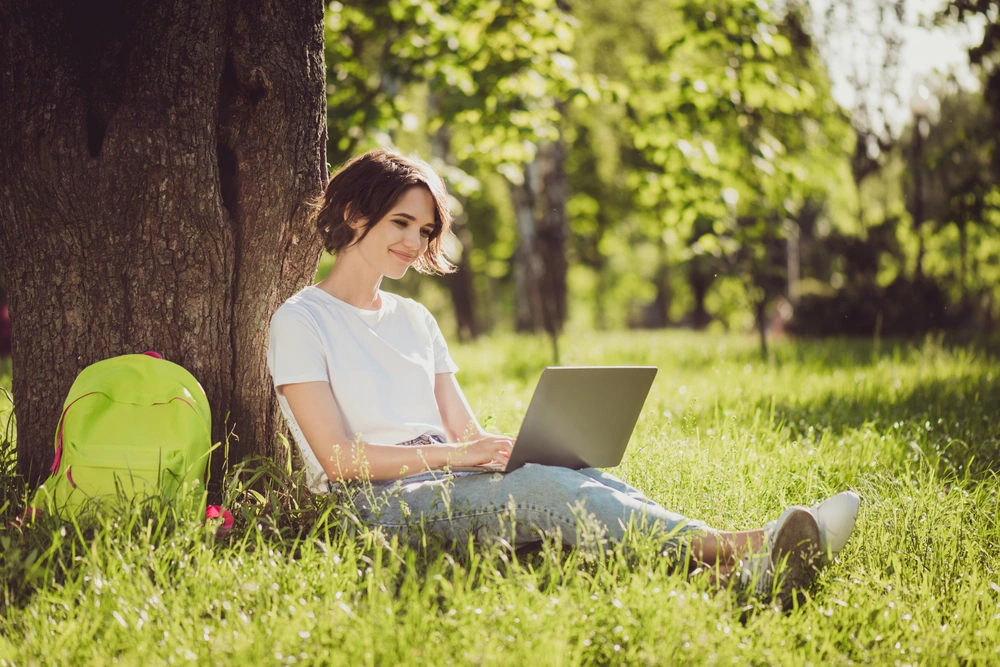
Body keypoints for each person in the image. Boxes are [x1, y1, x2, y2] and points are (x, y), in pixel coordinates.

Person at [266, 148, 859, 606]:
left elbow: (465, 430)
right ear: (354, 214)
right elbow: (339, 460)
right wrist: (460, 456)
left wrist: (505, 452)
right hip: (371, 505)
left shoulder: (416, 320)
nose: (414, 243)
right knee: (549, 494)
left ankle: (737, 576)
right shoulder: (302, 320)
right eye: (402, 223)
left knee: (576, 477)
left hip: (441, 477)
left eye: (424, 231)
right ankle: (751, 543)